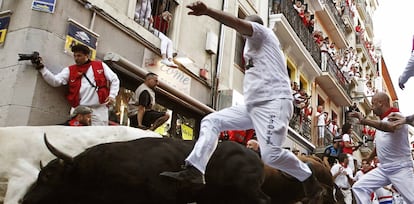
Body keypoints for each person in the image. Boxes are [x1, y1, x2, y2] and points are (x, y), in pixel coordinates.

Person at [160, 1, 325, 201]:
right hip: (254, 106)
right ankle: (195, 170)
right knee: (211, 121)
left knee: (271, 155)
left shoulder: (263, 33)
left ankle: (310, 181)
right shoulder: (252, 47)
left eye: (244, 25)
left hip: (274, 102)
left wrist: (208, 11)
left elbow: (236, 23)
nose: (242, 30)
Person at [348, 92, 414, 204]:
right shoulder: (381, 122)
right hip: (384, 169)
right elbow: (380, 146)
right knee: (359, 187)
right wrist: (369, 158)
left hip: (400, 167)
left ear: (381, 103)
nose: (372, 108)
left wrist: (364, 121)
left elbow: (390, 127)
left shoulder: (395, 115)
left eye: (373, 104)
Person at [34, 44, 120, 126]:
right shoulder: (70, 70)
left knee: (99, 136)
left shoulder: (100, 65)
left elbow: (114, 79)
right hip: (79, 110)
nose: (76, 58)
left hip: (98, 110)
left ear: (87, 56)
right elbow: (55, 81)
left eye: (79, 56)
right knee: (75, 136)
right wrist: (42, 68)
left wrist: (112, 95)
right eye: (75, 56)